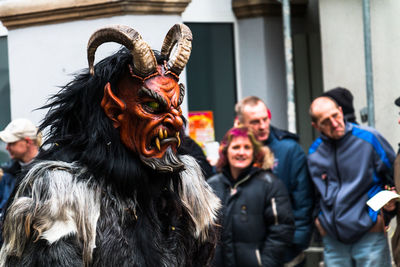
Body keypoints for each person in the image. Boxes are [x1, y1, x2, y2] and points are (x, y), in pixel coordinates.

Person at [0, 24, 221, 266]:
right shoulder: (59, 195)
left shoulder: (185, 187)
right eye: (154, 107)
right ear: (114, 111)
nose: (178, 121)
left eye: (176, 105)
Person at [308, 96, 396, 266]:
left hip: (369, 233)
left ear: (341, 111)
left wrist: (384, 214)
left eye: (335, 115)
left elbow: (394, 174)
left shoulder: (369, 139)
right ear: (316, 126)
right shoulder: (315, 152)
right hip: (333, 238)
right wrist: (319, 222)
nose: (334, 123)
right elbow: (313, 193)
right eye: (326, 121)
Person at [235, 96, 313, 266]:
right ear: (241, 123)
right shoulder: (236, 152)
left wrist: (296, 243)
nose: (263, 126)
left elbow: (303, 200)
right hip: (249, 250)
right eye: (255, 122)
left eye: (265, 119)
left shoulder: (289, 150)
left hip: (286, 250)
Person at [208, 126, 294, 266]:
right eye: (236, 147)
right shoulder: (212, 185)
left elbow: (282, 231)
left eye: (247, 147)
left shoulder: (270, 184)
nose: (241, 152)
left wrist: (265, 264)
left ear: (255, 152)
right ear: (226, 152)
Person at [0, 118, 41, 214]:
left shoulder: (51, 172)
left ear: (28, 142)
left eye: (12, 143)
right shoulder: (6, 174)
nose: (7, 147)